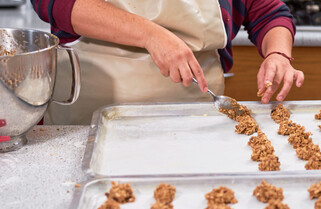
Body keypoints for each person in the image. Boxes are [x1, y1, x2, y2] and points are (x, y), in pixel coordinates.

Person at [31, 0, 304, 124]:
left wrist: (277, 53)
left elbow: (268, 12)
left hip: (196, 120)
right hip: (86, 116)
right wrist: (150, 34)